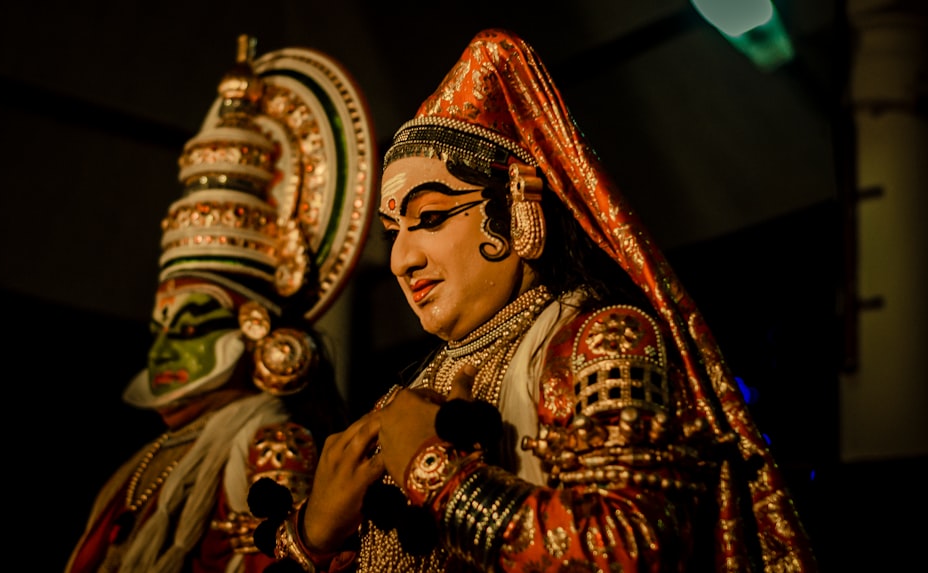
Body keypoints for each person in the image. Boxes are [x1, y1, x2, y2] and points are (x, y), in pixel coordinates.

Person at [258, 28, 818, 572]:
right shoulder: (404, 400)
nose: (403, 259)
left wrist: (435, 470)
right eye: (393, 232)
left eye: (429, 218)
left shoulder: (602, 342)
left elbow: (633, 551)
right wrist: (312, 538)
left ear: (518, 206)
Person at [66, 34, 377, 573]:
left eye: (189, 326)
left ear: (255, 327)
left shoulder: (272, 443)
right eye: (159, 328)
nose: (162, 351)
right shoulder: (148, 461)